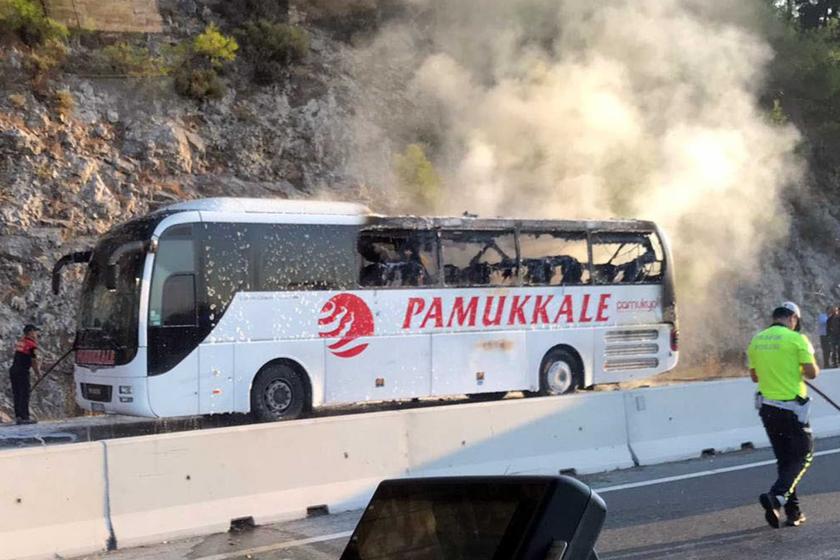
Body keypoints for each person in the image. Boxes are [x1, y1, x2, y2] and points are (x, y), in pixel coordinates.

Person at [747, 302, 819, 528]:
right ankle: (776, 496)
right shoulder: (797, 339)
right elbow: (812, 373)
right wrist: (796, 370)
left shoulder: (757, 340)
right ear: (792, 318)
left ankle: (792, 512)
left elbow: (755, 377)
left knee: (786, 460)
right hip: (792, 410)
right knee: (804, 456)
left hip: (767, 410)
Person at [8, 324, 41, 425]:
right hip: (22, 372)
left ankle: (18, 416)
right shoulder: (31, 345)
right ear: (30, 332)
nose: (36, 334)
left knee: (17, 393)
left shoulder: (21, 342)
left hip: (14, 370)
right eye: (35, 332)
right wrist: (38, 373)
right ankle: (25, 417)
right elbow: (33, 360)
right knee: (24, 394)